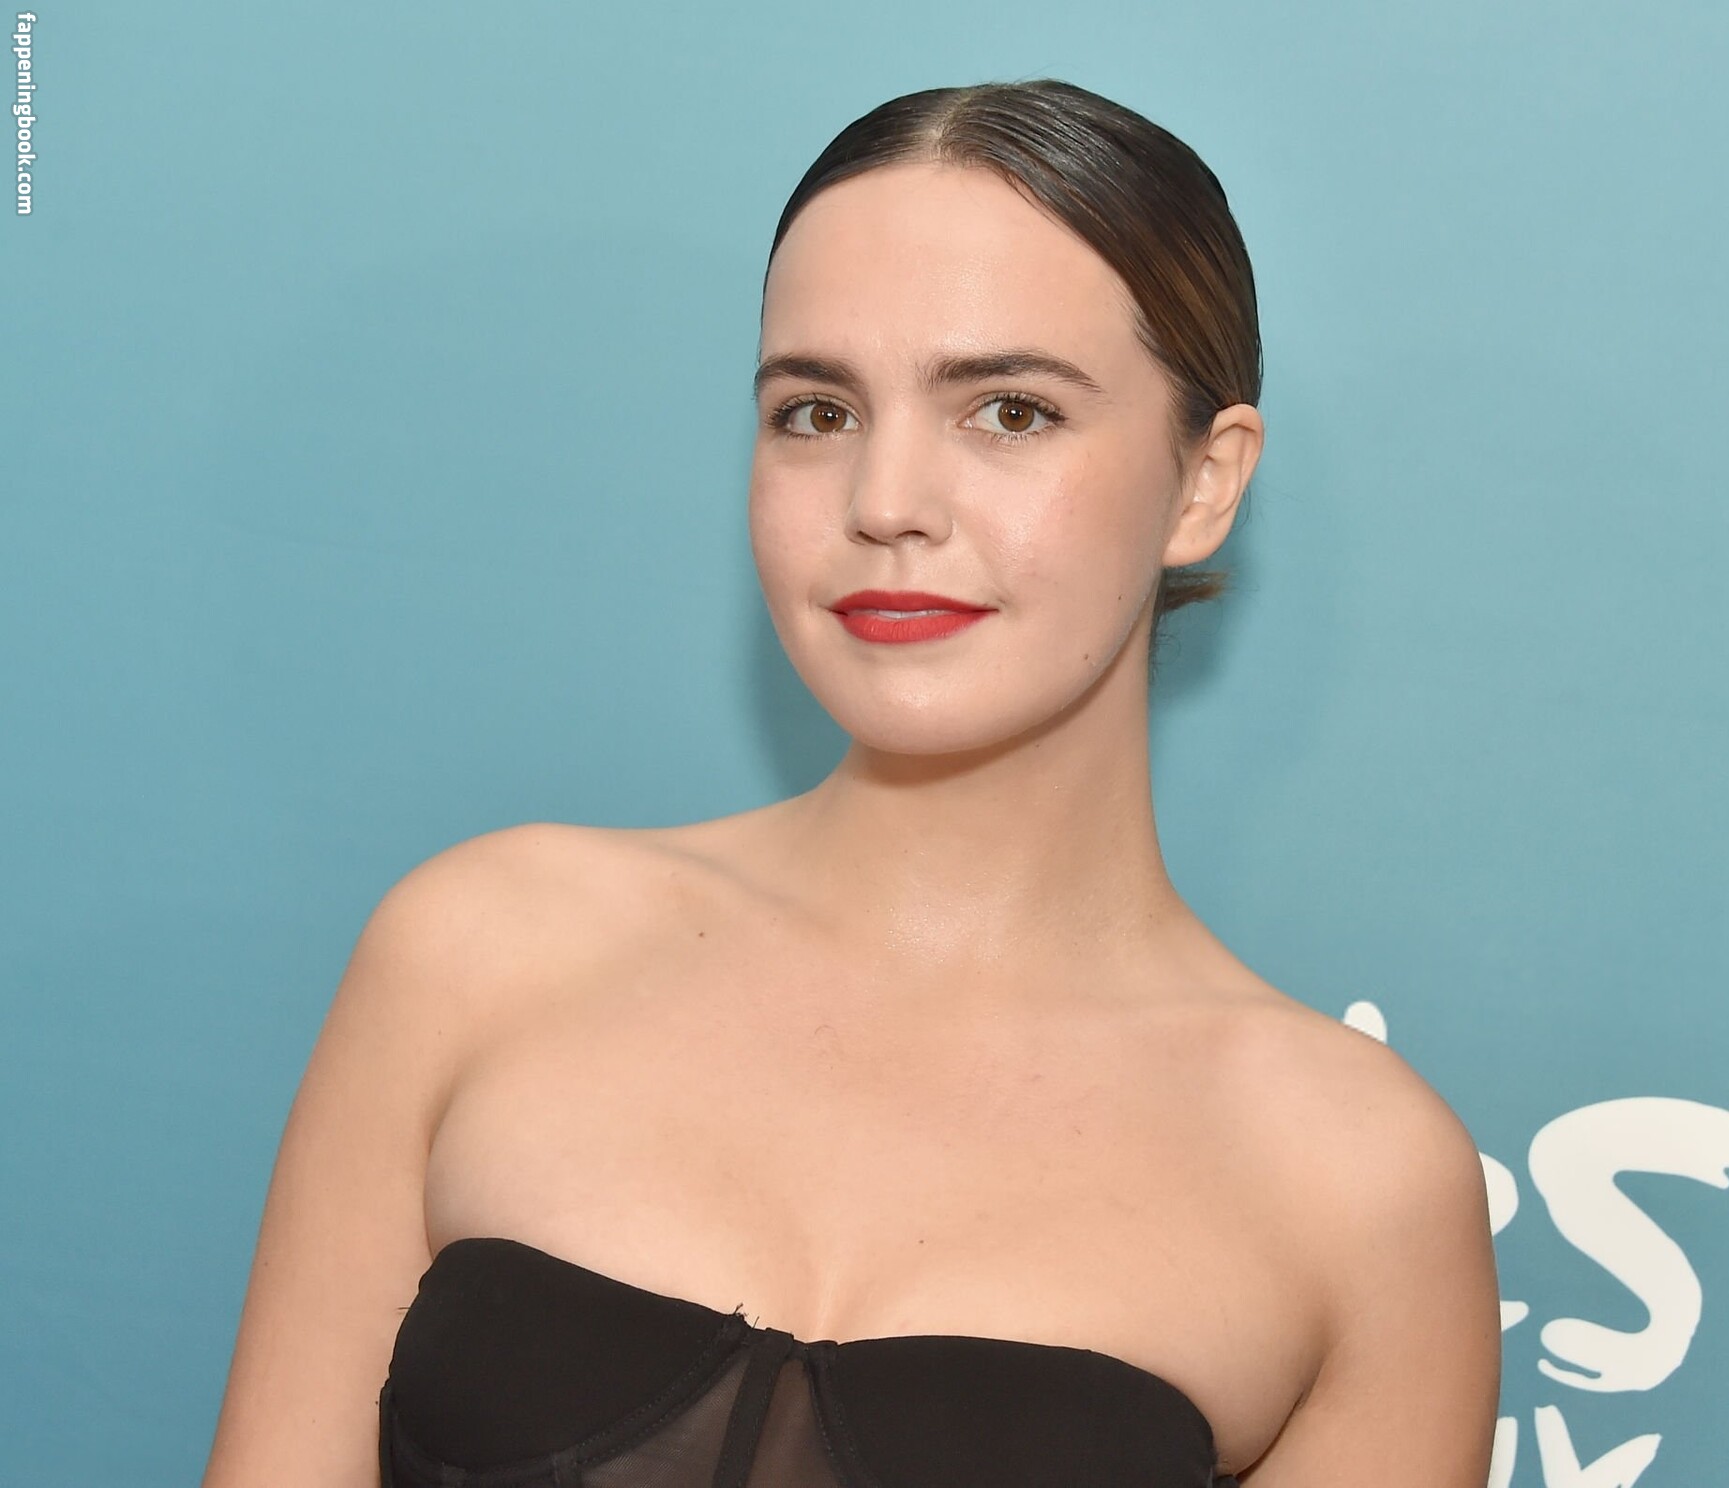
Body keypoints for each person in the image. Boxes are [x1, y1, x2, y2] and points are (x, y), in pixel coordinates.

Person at [202, 78, 1501, 1488]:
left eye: (1010, 411)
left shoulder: (1355, 1182)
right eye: (816, 412)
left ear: (1205, 482)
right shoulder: (484, 951)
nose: (884, 502)